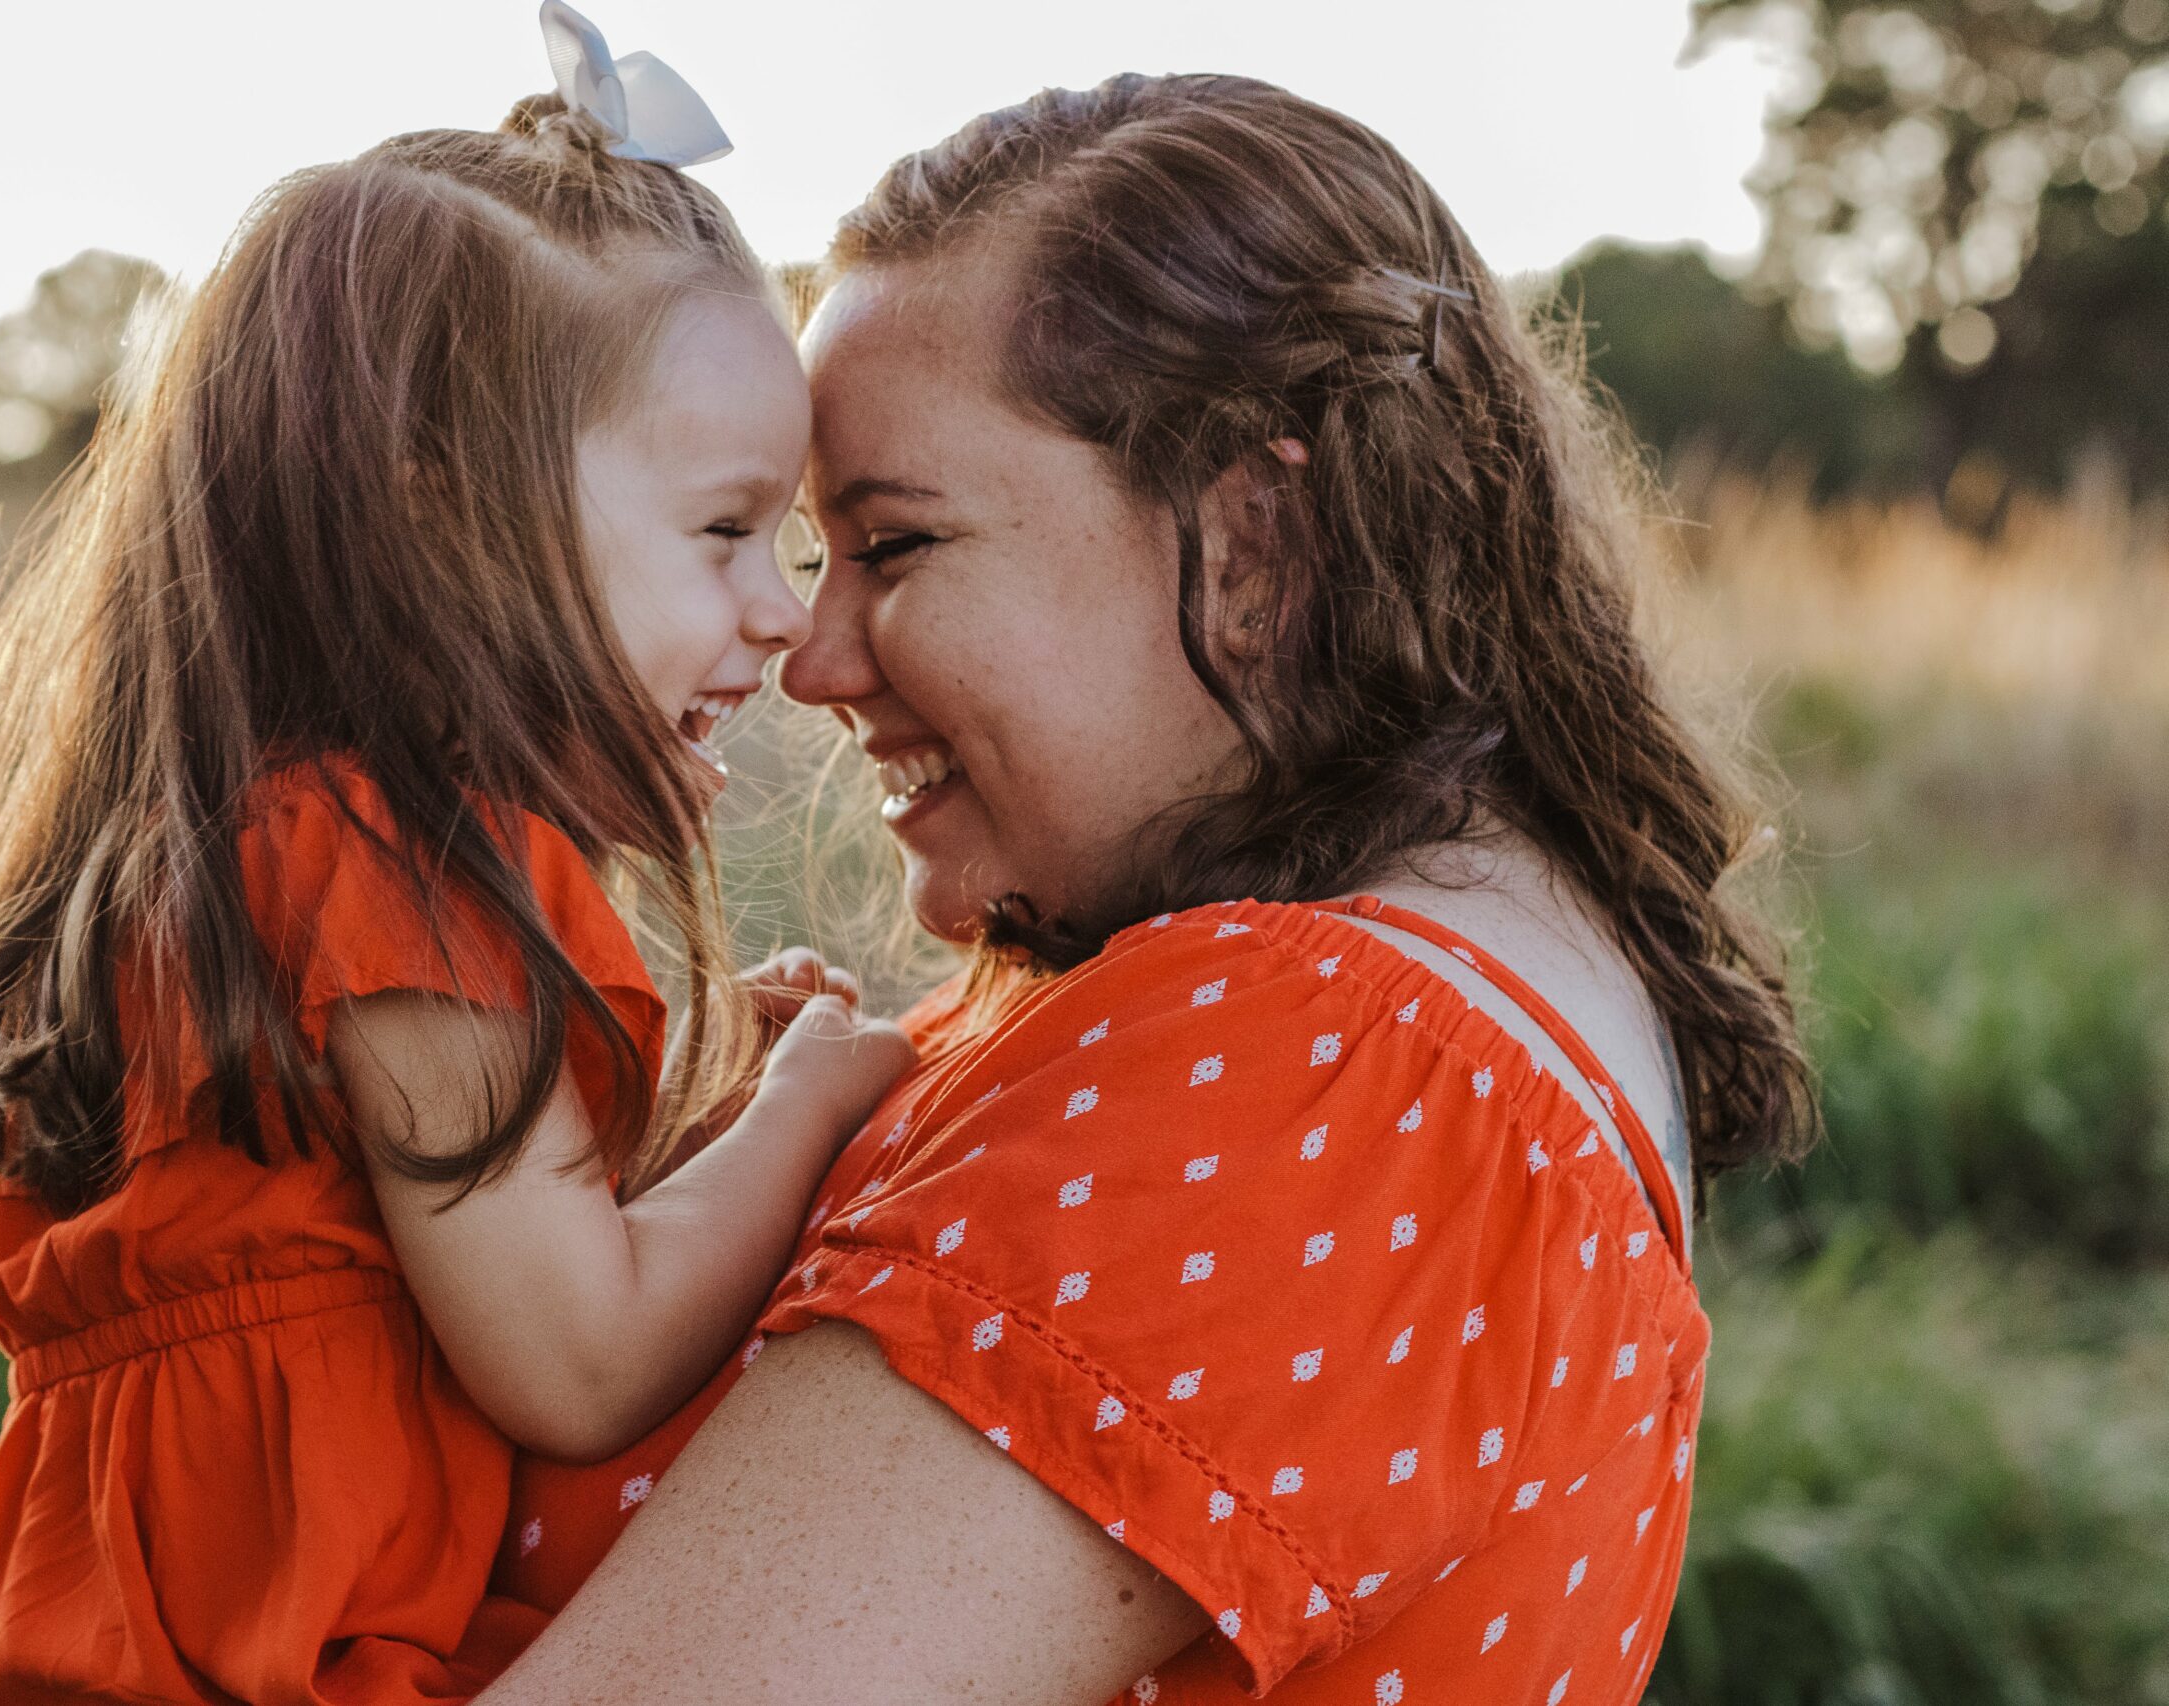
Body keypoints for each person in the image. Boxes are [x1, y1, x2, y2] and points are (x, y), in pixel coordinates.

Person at [475, 73, 1813, 1704]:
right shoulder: (1331, 1008)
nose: (809, 659)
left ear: (1255, 543)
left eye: (892, 547)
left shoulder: (1329, 1069)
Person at [0, 16, 913, 1700]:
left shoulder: (283, 846)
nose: (780, 609)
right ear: (445, 520)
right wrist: (807, 1110)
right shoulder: (401, 880)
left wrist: (672, 1125)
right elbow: (579, 1354)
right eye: (723, 530)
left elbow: (442, 1273)